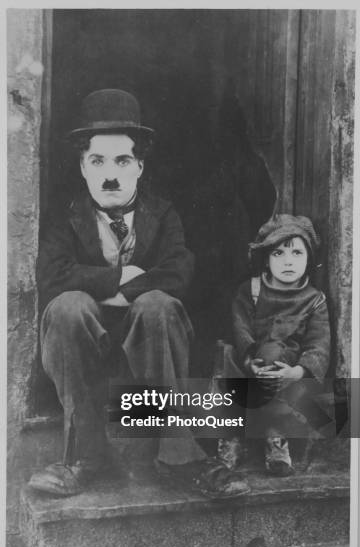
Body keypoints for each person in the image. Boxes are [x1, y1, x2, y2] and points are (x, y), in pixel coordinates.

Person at [29, 88, 249, 498]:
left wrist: (127, 288)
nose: (110, 174)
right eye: (97, 161)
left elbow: (179, 273)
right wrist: (114, 281)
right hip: (84, 354)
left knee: (158, 305)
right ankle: (82, 457)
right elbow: (52, 276)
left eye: (122, 160)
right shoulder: (68, 215)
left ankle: (179, 456)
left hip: (152, 356)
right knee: (67, 307)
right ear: (82, 166)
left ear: (140, 167)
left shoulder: (161, 213)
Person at [221, 213, 331, 475]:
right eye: (278, 254)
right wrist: (249, 360)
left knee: (273, 354)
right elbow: (241, 328)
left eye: (296, 253)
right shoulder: (251, 290)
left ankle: (276, 437)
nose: (288, 261)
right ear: (266, 261)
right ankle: (231, 439)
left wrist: (297, 372)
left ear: (309, 259)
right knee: (223, 355)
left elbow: (319, 344)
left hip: (285, 371)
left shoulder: (314, 300)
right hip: (249, 365)